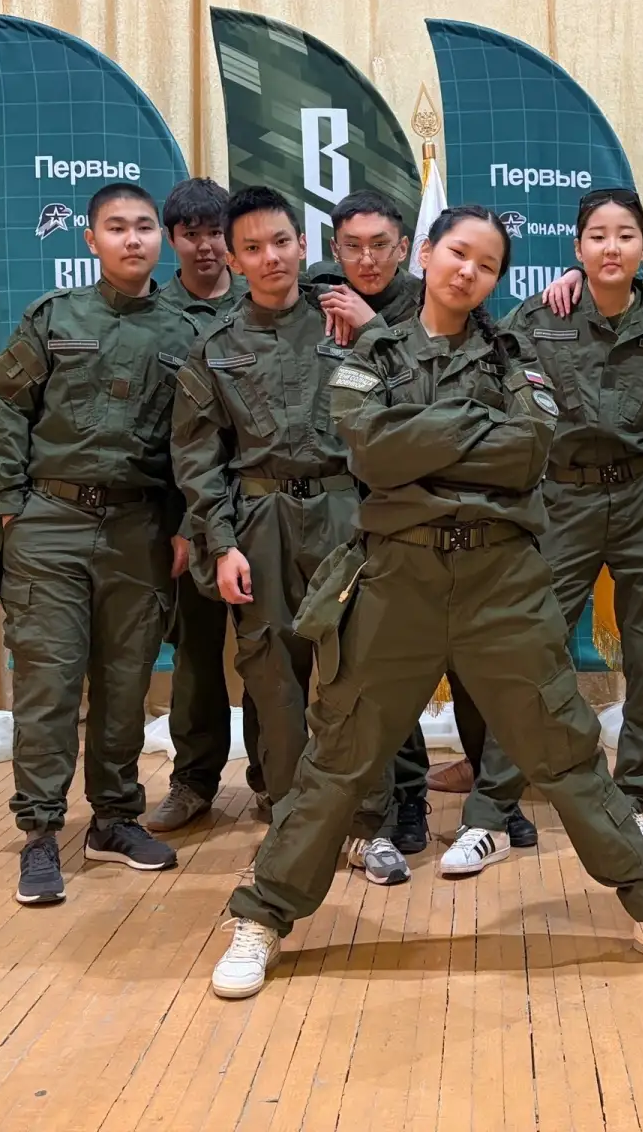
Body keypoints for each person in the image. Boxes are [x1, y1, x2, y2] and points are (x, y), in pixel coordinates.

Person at [209, 205, 643, 998]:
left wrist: (424, 438)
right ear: (427, 253)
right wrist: (471, 430)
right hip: (396, 583)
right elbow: (372, 450)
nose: (468, 271)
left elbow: (529, 449)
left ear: (496, 278)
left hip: (501, 585)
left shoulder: (518, 352)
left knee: (566, 750)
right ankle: (263, 917)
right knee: (338, 757)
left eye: (486, 263)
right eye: (457, 254)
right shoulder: (371, 349)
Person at [440, 188, 643, 877]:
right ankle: (491, 814)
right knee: (532, 653)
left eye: (625, 235)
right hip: (562, 498)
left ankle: (633, 801)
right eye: (597, 236)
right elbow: (481, 366)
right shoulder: (536, 318)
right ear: (576, 248)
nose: (612, 247)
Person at [173, 185, 412, 888]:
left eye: (281, 241)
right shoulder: (216, 348)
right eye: (252, 248)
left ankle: (368, 827)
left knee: (357, 673)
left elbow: (407, 404)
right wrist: (222, 546)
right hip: (260, 521)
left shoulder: (346, 321)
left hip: (346, 517)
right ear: (233, 259)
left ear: (304, 245)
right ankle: (289, 825)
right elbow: (198, 459)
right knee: (273, 680)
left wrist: (373, 331)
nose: (270, 257)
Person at [0, 181, 182, 906]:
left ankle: (115, 820)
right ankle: (40, 833)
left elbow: (197, 441)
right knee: (49, 684)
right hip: (49, 525)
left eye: (144, 226)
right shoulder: (54, 318)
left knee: (126, 683)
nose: (132, 238)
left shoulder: (185, 332)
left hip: (139, 529)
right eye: (116, 227)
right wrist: (11, 509)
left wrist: (184, 524)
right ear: (91, 240)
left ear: (160, 239)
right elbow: (4, 411)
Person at [300, 188, 434, 862]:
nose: (368, 259)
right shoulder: (317, 298)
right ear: (334, 249)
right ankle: (367, 799)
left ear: (404, 248)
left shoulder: (429, 305)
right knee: (358, 665)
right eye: (352, 247)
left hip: (410, 505)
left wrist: (372, 326)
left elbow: (429, 391)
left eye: (381, 245)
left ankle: (412, 794)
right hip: (336, 505)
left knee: (401, 661)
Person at [143, 177, 254, 835]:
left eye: (216, 232)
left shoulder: (265, 300)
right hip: (187, 517)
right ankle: (192, 781)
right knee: (194, 655)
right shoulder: (154, 315)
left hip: (264, 511)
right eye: (192, 234)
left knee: (269, 654)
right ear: (172, 239)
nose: (206, 246)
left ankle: (274, 780)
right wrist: (182, 522)